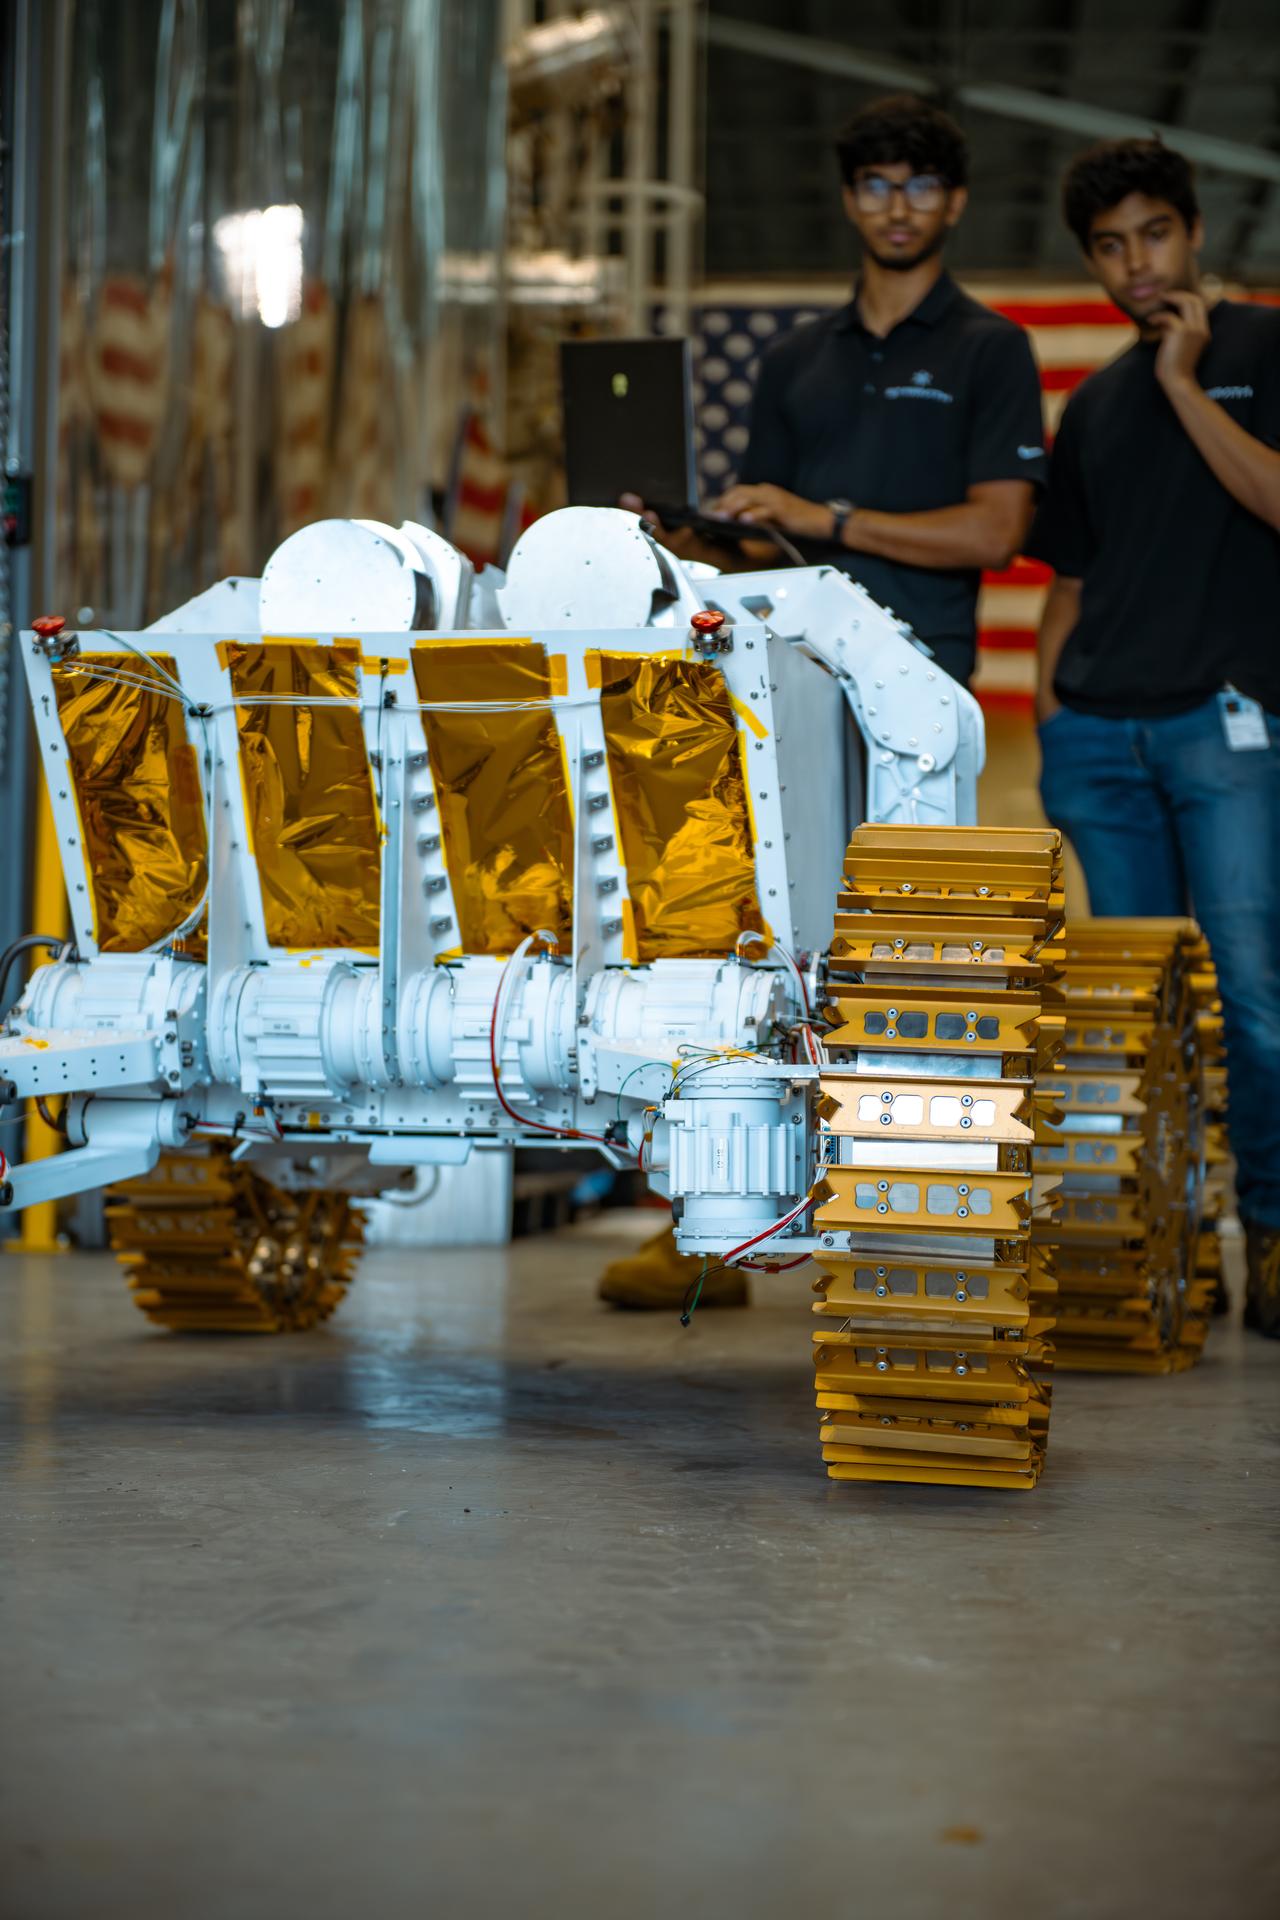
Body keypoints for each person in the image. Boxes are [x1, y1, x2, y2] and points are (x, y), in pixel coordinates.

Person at [600, 93, 1048, 1311]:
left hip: (918, 702)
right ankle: (705, 1210)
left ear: (950, 203)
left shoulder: (989, 351)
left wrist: (822, 521)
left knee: (903, 963)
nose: (893, 206)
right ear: (847, 201)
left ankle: (910, 1210)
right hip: (784, 699)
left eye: (916, 185)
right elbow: (765, 557)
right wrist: (680, 538)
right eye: (872, 184)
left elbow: (997, 531)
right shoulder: (794, 361)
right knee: (731, 944)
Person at [1028, 136, 1280, 1337]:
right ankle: (1157, 1251)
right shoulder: (1091, 404)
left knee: (1256, 999)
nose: (1135, 266)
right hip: (1100, 740)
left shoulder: (1262, 349)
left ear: (1193, 232)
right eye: (1109, 247)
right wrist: (1051, 712)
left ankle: (1271, 1237)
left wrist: (1187, 380)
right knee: (1132, 1017)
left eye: (1154, 236)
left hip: (1223, 725)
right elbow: (1067, 576)